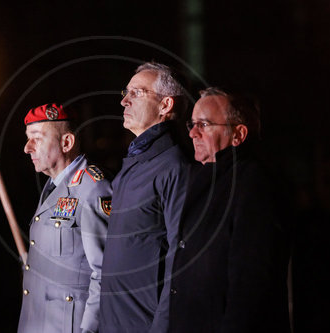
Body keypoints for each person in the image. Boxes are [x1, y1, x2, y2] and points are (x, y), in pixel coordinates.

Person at [169, 87, 291, 332]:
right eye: (192, 124)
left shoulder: (253, 184)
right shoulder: (203, 179)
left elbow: (251, 280)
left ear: (238, 134)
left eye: (204, 124)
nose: (193, 133)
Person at [99, 62, 191, 333]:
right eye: (125, 92)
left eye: (136, 93)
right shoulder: (135, 164)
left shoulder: (174, 166)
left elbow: (180, 260)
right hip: (115, 323)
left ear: (165, 105)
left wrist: (162, 327)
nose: (124, 101)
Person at [17, 103, 112, 333]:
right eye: (28, 138)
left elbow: (106, 273)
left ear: (66, 143)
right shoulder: (52, 187)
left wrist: (88, 330)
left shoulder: (92, 189)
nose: (27, 148)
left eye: (36, 138)